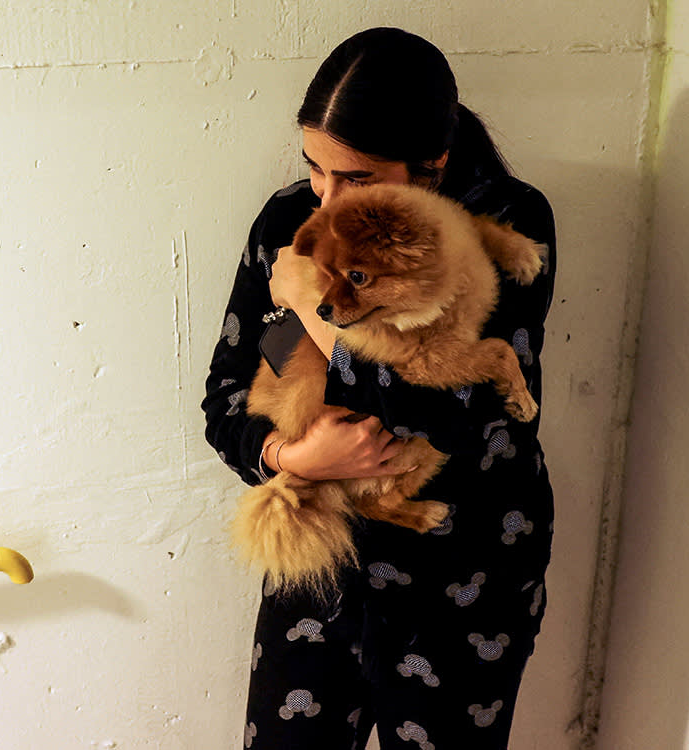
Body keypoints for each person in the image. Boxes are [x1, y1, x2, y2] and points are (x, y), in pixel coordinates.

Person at [202, 27, 556, 750]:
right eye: (316, 171)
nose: (325, 201)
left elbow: (453, 413)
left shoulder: (502, 225)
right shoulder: (284, 221)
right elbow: (228, 392)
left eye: (357, 179)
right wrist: (287, 458)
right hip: (320, 566)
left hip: (463, 579)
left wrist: (309, 307)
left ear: (431, 165)